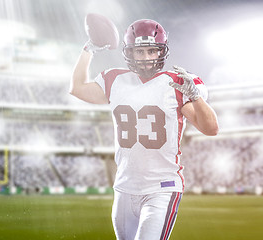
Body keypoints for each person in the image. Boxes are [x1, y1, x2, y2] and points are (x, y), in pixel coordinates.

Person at [70, 19, 218, 240]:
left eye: (152, 51)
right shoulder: (114, 80)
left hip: (162, 187)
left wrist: (196, 97)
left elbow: (211, 128)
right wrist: (88, 49)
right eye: (140, 52)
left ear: (162, 51)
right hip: (124, 187)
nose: (147, 58)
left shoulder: (176, 83)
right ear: (129, 52)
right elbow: (77, 88)